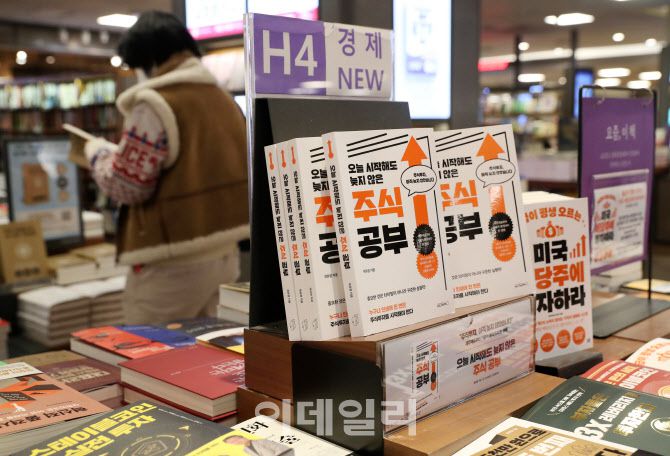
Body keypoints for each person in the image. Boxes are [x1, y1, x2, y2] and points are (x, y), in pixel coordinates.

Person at [85, 11, 249, 324]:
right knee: (208, 346)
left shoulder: (155, 104)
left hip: (170, 260)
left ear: (149, 59)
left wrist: (97, 155)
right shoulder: (223, 99)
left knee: (150, 348)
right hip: (225, 253)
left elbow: (128, 185)